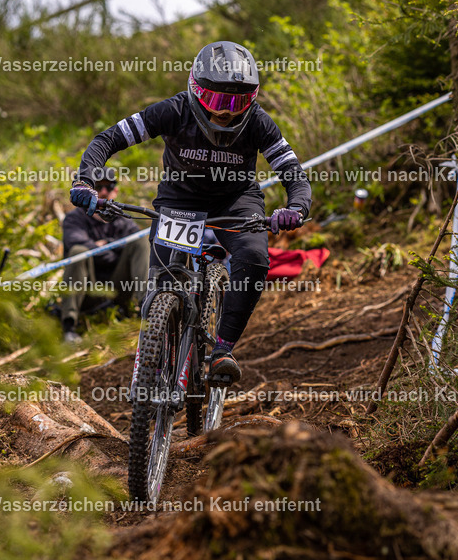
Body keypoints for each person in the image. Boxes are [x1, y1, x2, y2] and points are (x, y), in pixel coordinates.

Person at [69, 41, 310, 384]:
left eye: (237, 102)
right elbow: (107, 139)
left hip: (236, 201)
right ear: (196, 90)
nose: (226, 112)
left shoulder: (259, 122)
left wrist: (295, 207)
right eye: (216, 100)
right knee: (161, 281)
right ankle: (156, 351)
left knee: (254, 257)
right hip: (180, 200)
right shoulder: (174, 110)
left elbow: (293, 174)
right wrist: (86, 182)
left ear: (252, 99)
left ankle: (223, 350)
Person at [59, 172, 149, 343]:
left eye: (109, 187)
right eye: (98, 187)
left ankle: (146, 311)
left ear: (115, 191)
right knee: (78, 251)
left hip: (119, 289)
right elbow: (76, 242)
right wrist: (114, 249)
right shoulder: (74, 219)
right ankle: (69, 328)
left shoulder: (124, 221)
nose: (104, 192)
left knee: (140, 241)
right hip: (88, 292)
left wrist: (104, 244)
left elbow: (137, 244)